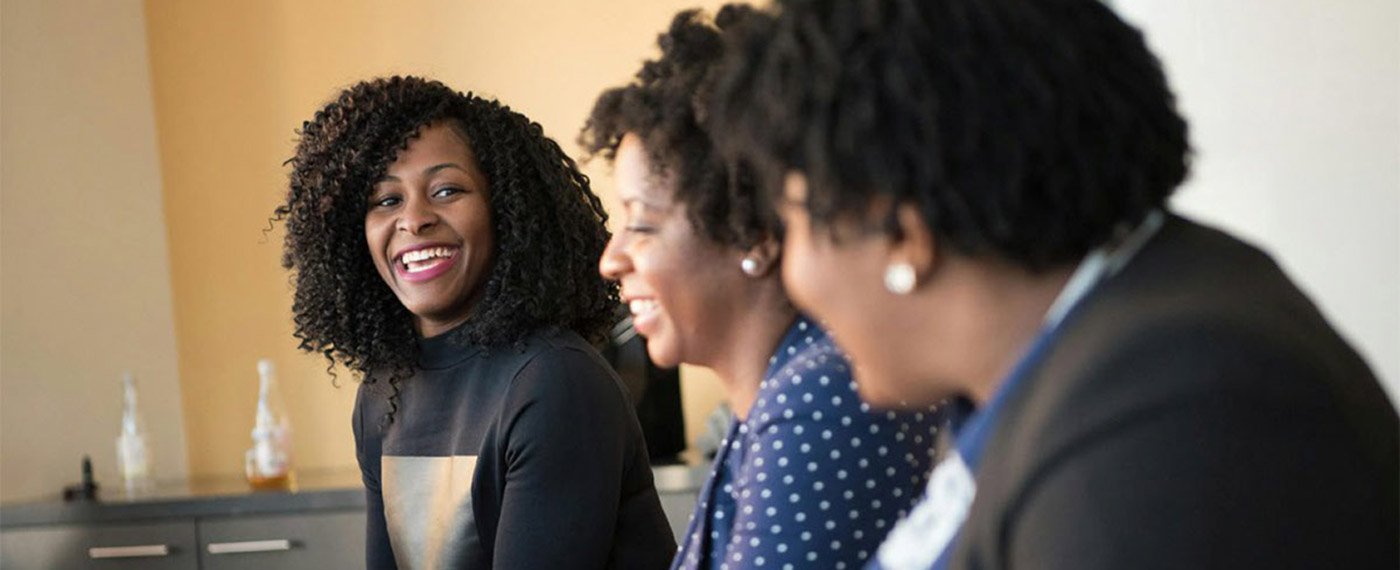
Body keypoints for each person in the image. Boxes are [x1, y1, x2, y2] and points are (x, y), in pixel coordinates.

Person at [706, 0, 1399, 568]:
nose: (793, 275)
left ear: (903, 235)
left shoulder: (1164, 420)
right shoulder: (1127, 337)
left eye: (793, 223)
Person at [582, 9, 942, 570]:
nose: (611, 259)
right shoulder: (774, 403)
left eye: (642, 224)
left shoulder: (819, 399)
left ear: (752, 232)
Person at [277, 76, 675, 570]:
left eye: (447, 191)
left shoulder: (554, 381)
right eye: (386, 200)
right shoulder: (384, 391)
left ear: (504, 211)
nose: (414, 219)